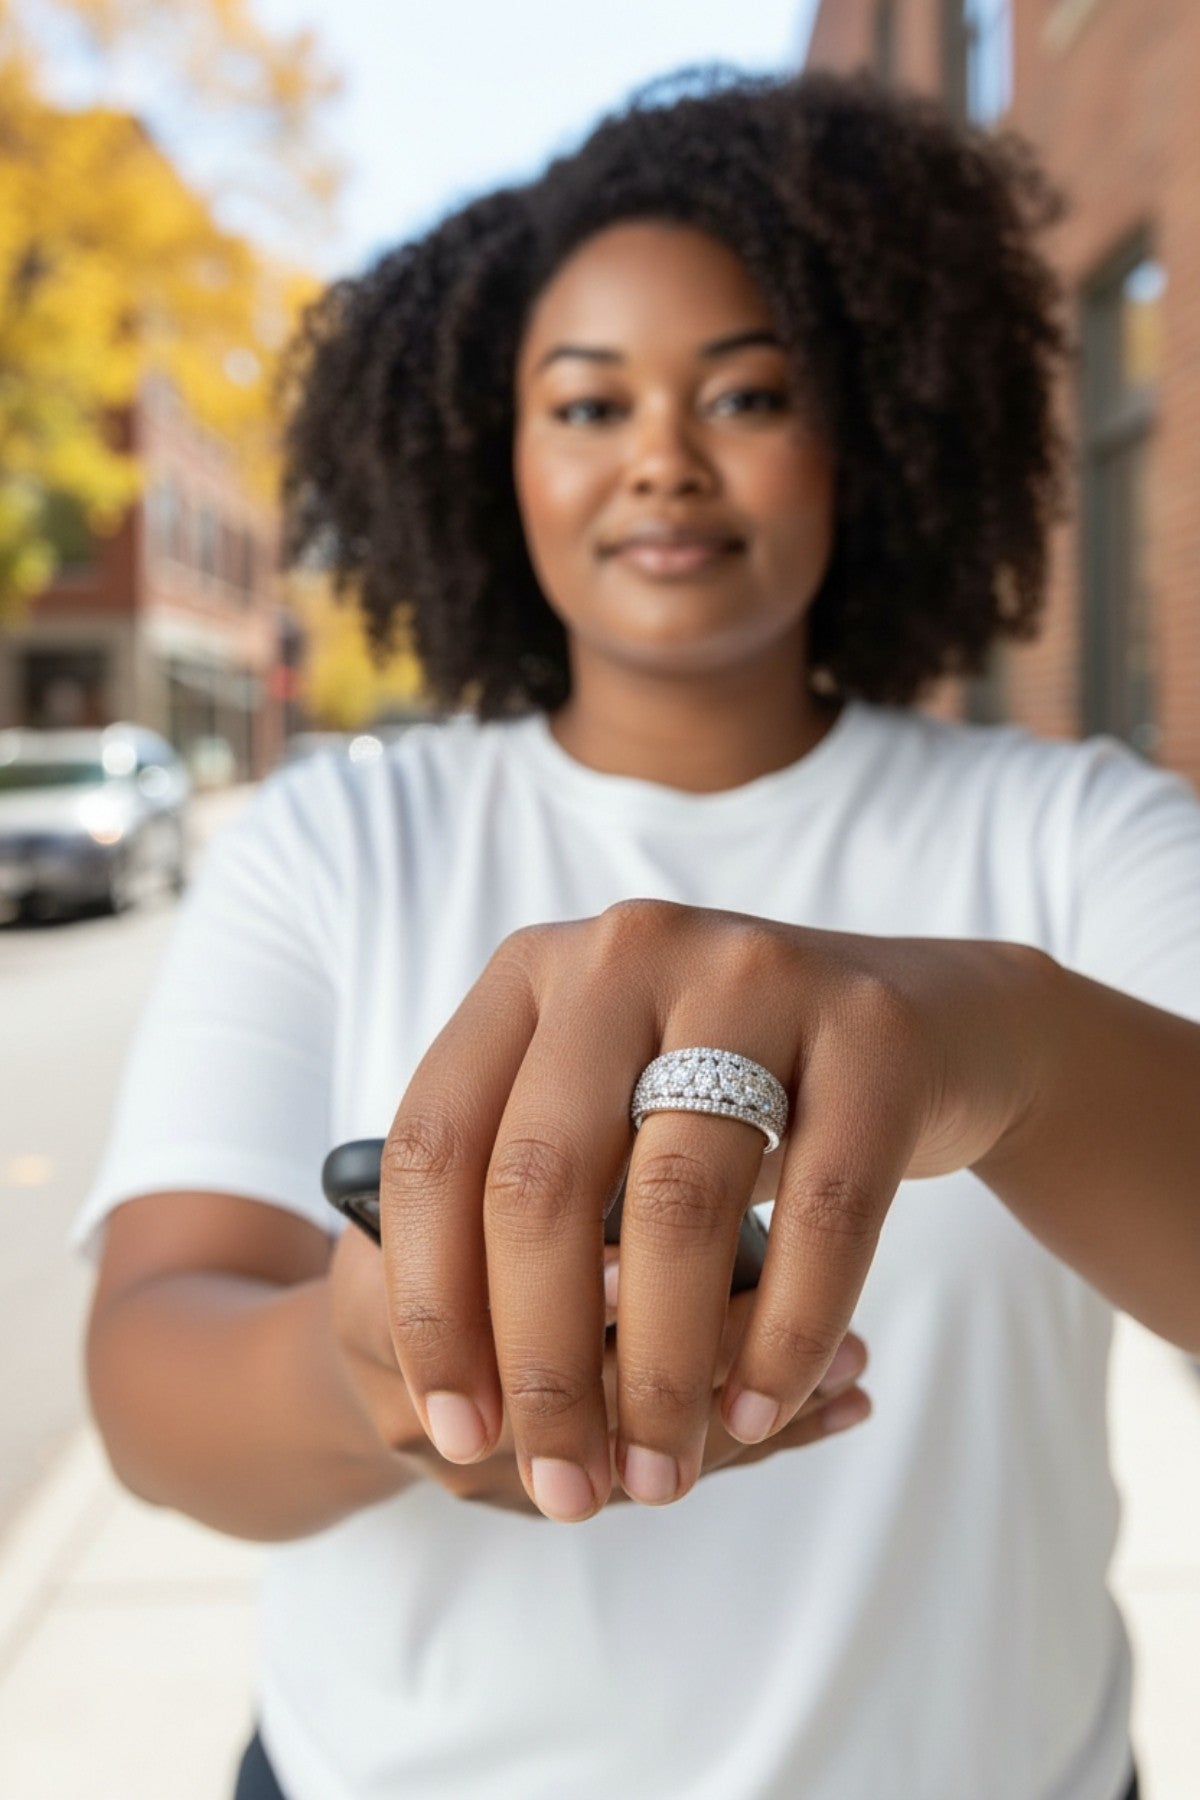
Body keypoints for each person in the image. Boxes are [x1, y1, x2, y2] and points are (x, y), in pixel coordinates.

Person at [73, 67, 1200, 1800]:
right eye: (589, 404)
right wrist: (366, 1375)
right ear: (493, 456)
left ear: (870, 431)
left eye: (746, 393)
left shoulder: (1077, 832)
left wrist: (1011, 1045)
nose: (664, 457)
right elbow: (148, 1378)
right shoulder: (334, 834)